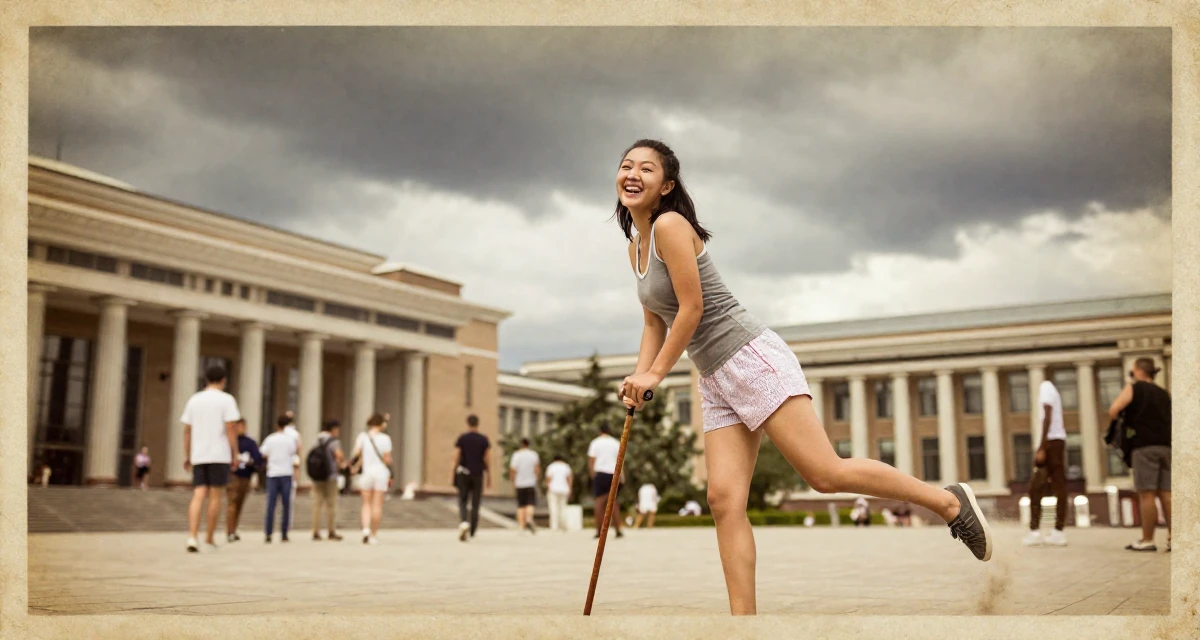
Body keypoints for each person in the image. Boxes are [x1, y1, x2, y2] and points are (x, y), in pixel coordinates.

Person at [611, 139, 992, 615]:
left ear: (666, 185)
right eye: (627, 166)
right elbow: (655, 320)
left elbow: (693, 309)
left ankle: (948, 502)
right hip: (714, 376)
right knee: (723, 500)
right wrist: (638, 375)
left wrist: (656, 375)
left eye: (647, 169)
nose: (633, 174)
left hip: (749, 356)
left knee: (825, 474)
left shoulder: (670, 224)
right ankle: (743, 623)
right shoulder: (636, 249)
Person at [1108, 357, 1172, 552]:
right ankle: (1176, 538)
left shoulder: (1134, 388)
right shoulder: (1164, 393)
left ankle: (1147, 539)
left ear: (1137, 370)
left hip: (1144, 447)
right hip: (1166, 446)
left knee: (1147, 494)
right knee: (1167, 493)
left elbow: (1114, 410)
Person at [180, 365, 241, 553]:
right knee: (215, 496)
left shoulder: (194, 400)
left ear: (205, 379)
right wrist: (235, 453)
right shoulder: (226, 400)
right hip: (219, 454)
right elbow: (231, 427)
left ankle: (192, 536)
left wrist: (188, 455)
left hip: (199, 454)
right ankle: (209, 537)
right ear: (223, 380)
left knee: (199, 494)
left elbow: (187, 430)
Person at [1024, 378, 1069, 547]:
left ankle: (1039, 531)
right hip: (1055, 442)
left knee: (1037, 487)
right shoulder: (1051, 389)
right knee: (1056, 486)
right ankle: (1055, 531)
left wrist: (1042, 446)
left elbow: (1047, 415)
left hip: (1051, 443)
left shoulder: (1045, 386)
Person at [350, 413, 393, 545]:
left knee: (366, 504)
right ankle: (373, 534)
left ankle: (365, 529)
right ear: (381, 424)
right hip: (380, 473)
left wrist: (356, 465)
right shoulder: (385, 438)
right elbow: (387, 459)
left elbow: (357, 454)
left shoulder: (362, 437)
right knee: (377, 504)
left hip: (367, 473)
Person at [260, 416, 299, 543]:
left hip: (273, 473)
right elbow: (294, 452)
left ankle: (268, 533)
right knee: (286, 504)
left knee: (271, 504)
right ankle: (284, 533)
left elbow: (263, 453)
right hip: (286, 473)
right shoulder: (290, 440)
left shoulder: (270, 439)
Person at [452, 414, 491, 541]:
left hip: (463, 472)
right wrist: (489, 475)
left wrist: (453, 471)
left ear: (468, 423)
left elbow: (457, 455)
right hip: (478, 474)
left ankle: (464, 522)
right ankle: (473, 530)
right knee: (476, 502)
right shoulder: (483, 439)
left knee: (463, 500)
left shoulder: (463, 438)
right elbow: (487, 458)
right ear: (478, 423)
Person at [226, 419, 264, 542]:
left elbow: (258, 459)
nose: (239, 428)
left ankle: (234, 529)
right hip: (233, 475)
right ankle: (230, 531)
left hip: (246, 476)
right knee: (232, 502)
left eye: (241, 426)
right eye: (237, 426)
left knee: (239, 504)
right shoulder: (229, 441)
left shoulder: (250, 442)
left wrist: (250, 461)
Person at [310, 419, 346, 541]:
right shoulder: (333, 441)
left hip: (317, 476)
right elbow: (339, 455)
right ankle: (331, 531)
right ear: (333, 429)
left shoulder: (317, 440)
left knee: (317, 504)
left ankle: (315, 531)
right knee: (331, 504)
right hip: (330, 475)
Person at [587, 424, 624, 540]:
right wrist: (622, 475)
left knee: (599, 502)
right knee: (613, 502)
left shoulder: (595, 442)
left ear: (600, 431)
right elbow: (620, 460)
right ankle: (618, 529)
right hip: (613, 473)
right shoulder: (615, 443)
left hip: (601, 473)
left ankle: (599, 530)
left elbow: (592, 460)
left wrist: (592, 473)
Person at [509, 438, 541, 535]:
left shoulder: (516, 455)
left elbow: (513, 469)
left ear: (521, 444)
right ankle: (529, 518)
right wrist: (537, 479)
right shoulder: (533, 455)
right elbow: (537, 469)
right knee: (530, 503)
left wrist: (513, 481)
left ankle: (522, 527)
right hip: (531, 482)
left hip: (520, 483)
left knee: (521, 505)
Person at [544, 454, 573, 533]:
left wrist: (547, 486)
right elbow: (569, 478)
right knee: (563, 507)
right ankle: (563, 525)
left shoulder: (551, 467)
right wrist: (570, 488)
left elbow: (548, 478)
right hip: (564, 489)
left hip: (553, 489)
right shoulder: (566, 466)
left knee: (553, 508)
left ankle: (554, 526)